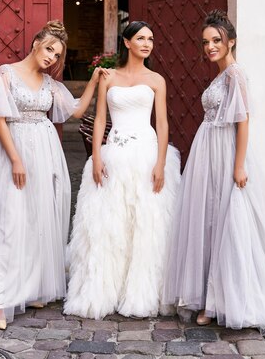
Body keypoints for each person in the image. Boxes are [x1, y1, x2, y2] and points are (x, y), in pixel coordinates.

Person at [0, 21, 103, 330]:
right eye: (49, 48)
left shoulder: (49, 84)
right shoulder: (7, 73)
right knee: (10, 221)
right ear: (36, 42)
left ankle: (30, 287)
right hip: (14, 151)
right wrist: (16, 160)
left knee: (38, 218)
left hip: (46, 153)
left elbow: (76, 110)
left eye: (57, 54)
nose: (52, 57)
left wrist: (93, 79)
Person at [162, 10, 265, 334]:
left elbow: (243, 121)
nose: (210, 47)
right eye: (205, 42)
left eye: (216, 40)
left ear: (231, 41)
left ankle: (219, 301)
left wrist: (239, 164)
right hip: (207, 152)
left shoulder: (235, 74)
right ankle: (207, 297)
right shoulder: (221, 75)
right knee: (209, 220)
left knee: (227, 221)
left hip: (225, 152)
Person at [64, 21, 181, 319]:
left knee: (144, 225)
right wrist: (97, 156)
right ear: (126, 43)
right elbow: (100, 119)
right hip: (113, 153)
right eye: (141, 38)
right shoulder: (109, 77)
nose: (147, 43)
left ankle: (140, 292)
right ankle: (105, 289)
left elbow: (163, 123)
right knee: (108, 225)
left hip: (146, 155)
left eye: (151, 39)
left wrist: (160, 162)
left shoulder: (157, 80)